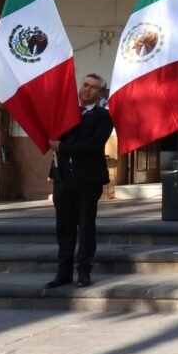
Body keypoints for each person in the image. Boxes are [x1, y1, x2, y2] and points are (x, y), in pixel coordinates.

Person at [45, 73, 113, 288]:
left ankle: (84, 271)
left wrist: (63, 146)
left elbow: (92, 144)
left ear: (100, 93)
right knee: (64, 227)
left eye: (93, 88)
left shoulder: (103, 116)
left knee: (85, 226)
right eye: (85, 85)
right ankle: (63, 272)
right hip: (63, 177)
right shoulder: (65, 112)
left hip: (88, 179)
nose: (87, 90)